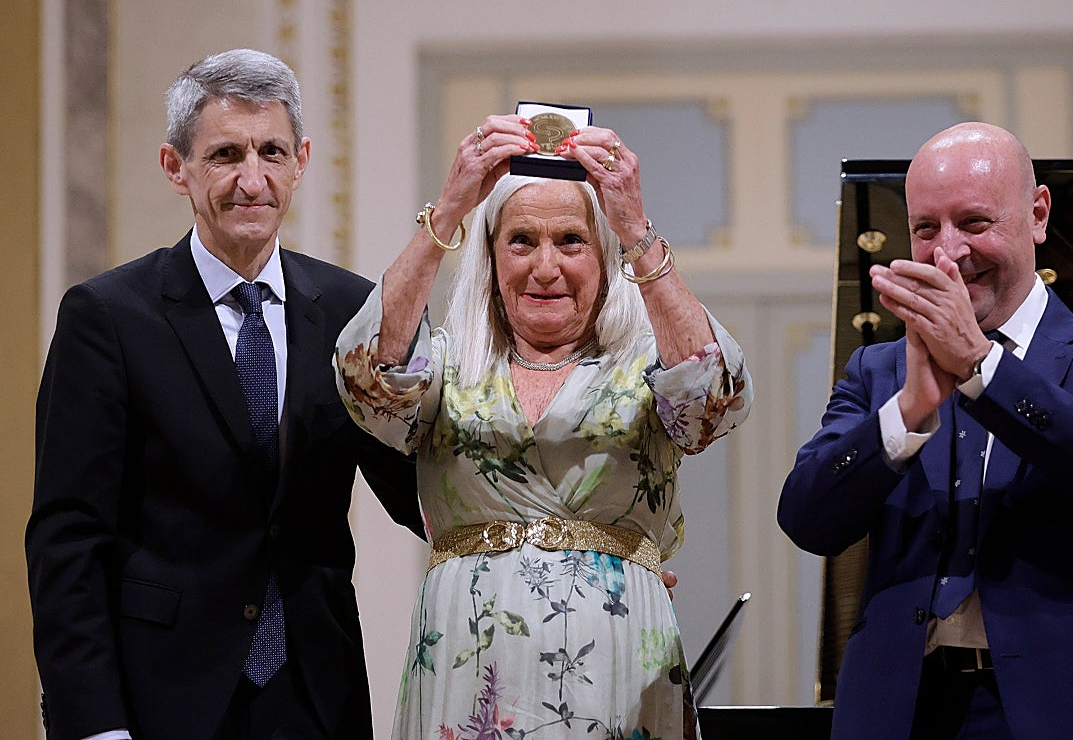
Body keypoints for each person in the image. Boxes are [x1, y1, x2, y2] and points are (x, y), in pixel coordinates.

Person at [26, 49, 423, 740]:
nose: (252, 180)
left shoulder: (350, 310)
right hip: (158, 701)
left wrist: (577, 544)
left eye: (271, 152)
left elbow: (420, 489)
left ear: (301, 160)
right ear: (175, 167)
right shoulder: (107, 318)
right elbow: (67, 544)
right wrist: (92, 723)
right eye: (224, 155)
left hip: (314, 697)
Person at [334, 115, 753, 739]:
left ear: (605, 257)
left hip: (618, 664)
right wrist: (449, 211)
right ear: (491, 256)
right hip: (469, 665)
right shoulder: (450, 365)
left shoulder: (644, 363)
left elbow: (716, 395)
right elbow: (368, 376)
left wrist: (635, 229)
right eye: (522, 241)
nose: (545, 266)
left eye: (571, 241)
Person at [777, 122, 1073, 739]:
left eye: (973, 223)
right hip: (904, 710)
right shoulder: (878, 367)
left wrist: (981, 369)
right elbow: (807, 518)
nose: (948, 253)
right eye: (925, 229)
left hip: (1069, 710)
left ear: (1039, 214)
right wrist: (907, 412)